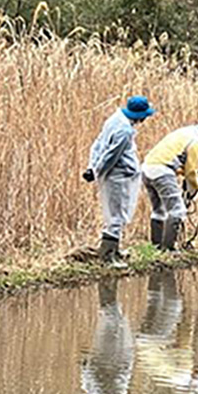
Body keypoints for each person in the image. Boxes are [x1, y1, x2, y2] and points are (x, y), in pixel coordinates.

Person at [84, 95, 155, 266]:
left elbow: (98, 144)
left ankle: (114, 249)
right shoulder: (125, 130)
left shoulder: (114, 120)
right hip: (117, 176)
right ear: (139, 115)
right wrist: (96, 170)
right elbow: (111, 155)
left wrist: (92, 166)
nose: (145, 119)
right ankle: (108, 256)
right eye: (144, 116)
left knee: (115, 214)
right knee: (116, 215)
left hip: (115, 174)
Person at [142, 122, 198, 250]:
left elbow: (170, 160)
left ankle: (156, 247)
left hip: (147, 169)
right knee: (177, 211)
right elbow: (191, 171)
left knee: (159, 210)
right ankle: (168, 249)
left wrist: (184, 172)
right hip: (162, 172)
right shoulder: (195, 141)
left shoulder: (182, 133)